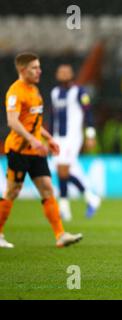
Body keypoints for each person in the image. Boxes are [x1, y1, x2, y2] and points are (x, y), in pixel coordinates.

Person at [0, 52, 82, 248]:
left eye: (39, 67)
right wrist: (33, 141)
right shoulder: (15, 92)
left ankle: (60, 235)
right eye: (34, 68)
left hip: (35, 151)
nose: (39, 71)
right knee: (12, 191)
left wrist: (47, 138)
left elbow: (33, 123)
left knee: (47, 188)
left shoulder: (34, 91)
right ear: (22, 70)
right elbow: (13, 122)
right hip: (19, 149)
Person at [50, 64, 101, 221]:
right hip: (58, 137)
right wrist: (50, 138)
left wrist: (90, 135)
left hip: (73, 137)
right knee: (61, 171)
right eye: (60, 71)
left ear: (72, 74)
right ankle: (91, 198)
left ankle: (64, 208)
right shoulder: (55, 93)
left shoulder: (79, 92)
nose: (63, 73)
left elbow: (88, 113)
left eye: (66, 71)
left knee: (63, 169)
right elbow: (53, 117)